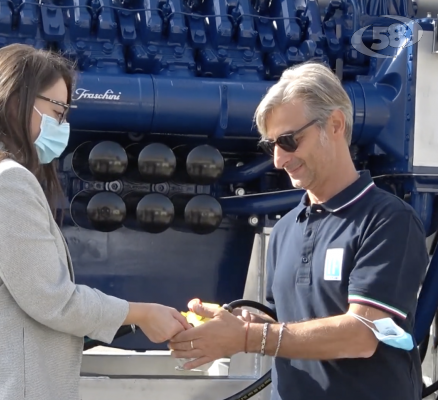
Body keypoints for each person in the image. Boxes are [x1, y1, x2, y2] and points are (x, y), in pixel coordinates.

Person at [0, 43, 189, 400]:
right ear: (15, 101)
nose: (63, 124)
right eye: (58, 110)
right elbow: (52, 299)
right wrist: (141, 313)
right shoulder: (4, 180)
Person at [168, 61, 428, 400]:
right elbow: (288, 325)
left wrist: (247, 338)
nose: (277, 159)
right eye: (270, 145)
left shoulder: (388, 220)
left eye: (288, 141)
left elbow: (362, 334)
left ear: (335, 124)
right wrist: (240, 324)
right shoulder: (287, 228)